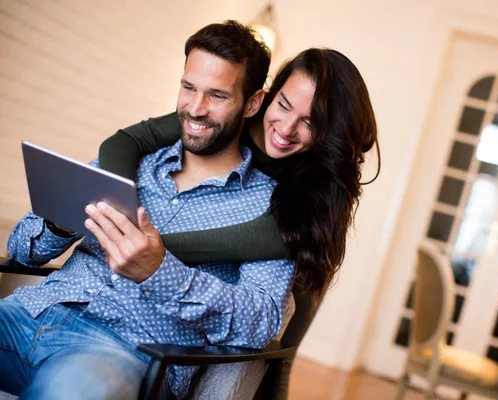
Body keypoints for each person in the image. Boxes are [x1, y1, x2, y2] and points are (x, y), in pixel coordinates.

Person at [0, 20, 295, 400]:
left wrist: (161, 273)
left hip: (117, 351)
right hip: (28, 313)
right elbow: (22, 251)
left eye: (217, 96)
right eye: (188, 88)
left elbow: (261, 320)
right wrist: (59, 220)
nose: (195, 108)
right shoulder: (133, 160)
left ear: (252, 102)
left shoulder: (267, 206)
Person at [99, 46, 381, 304]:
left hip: (297, 274)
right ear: (269, 97)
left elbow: (267, 238)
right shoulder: (231, 115)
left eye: (310, 123)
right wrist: (119, 213)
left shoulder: (322, 179)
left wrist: (144, 249)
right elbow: (123, 142)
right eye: (283, 105)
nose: (286, 128)